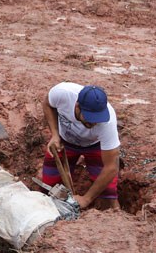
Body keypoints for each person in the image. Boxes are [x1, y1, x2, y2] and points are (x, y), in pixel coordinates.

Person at [41, 82, 120, 211]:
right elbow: (47, 104)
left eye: (97, 118)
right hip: (65, 141)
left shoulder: (108, 122)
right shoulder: (62, 93)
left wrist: (86, 199)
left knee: (108, 193)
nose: (94, 122)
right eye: (90, 118)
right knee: (49, 187)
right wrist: (55, 135)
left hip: (95, 145)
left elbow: (111, 167)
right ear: (77, 106)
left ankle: (113, 221)